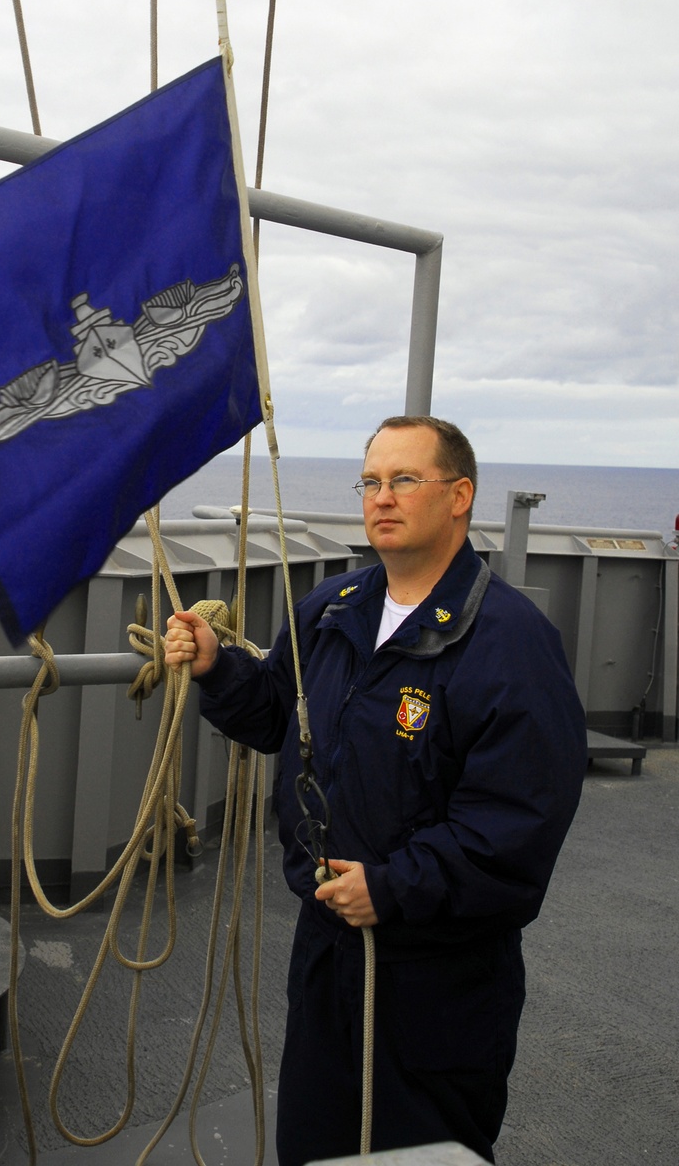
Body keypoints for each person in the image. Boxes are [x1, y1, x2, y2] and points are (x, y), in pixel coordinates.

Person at [164, 416, 587, 1164]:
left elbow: (517, 831)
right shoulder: (335, 609)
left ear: (460, 496)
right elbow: (275, 713)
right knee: (315, 1145)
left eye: (403, 480)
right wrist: (213, 667)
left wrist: (391, 890)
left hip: (437, 984)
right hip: (327, 957)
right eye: (371, 481)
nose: (380, 497)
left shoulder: (511, 643)